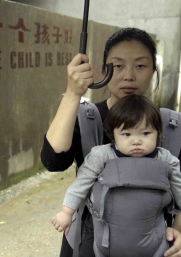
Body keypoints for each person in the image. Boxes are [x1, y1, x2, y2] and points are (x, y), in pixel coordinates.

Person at [40, 27, 181, 257]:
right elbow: (52, 161)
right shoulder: (87, 118)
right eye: (117, 65)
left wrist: (178, 230)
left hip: (152, 247)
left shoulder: (172, 125)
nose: (128, 75)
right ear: (103, 70)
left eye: (140, 66)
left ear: (154, 70)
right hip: (89, 245)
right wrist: (73, 93)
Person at [52, 94, 181, 256]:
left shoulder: (167, 159)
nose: (136, 141)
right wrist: (66, 211)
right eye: (127, 134)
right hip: (105, 235)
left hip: (150, 236)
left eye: (145, 133)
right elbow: (81, 184)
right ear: (113, 134)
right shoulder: (102, 156)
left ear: (158, 132)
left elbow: (179, 189)